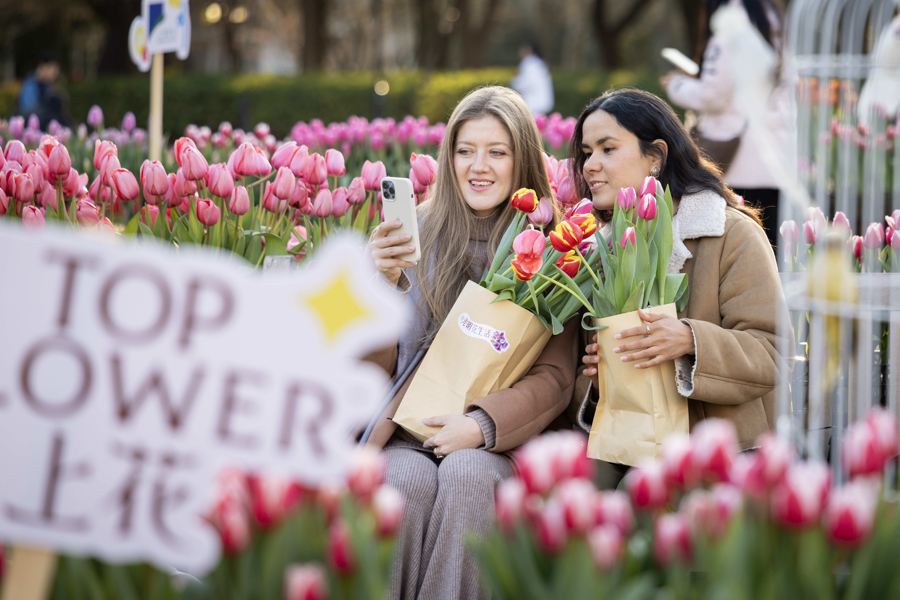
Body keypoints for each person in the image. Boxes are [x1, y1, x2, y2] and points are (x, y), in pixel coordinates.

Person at [362, 86, 578, 600]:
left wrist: (481, 425)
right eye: (465, 151)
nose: (478, 166)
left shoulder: (552, 248)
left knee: (467, 477)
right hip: (407, 430)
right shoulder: (416, 236)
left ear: (522, 159)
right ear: (448, 157)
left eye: (497, 152)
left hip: (500, 439)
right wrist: (378, 288)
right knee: (403, 483)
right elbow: (374, 371)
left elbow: (554, 378)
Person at [569, 88, 792, 486]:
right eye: (587, 152)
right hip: (630, 449)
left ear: (655, 157)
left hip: (726, 456)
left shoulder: (729, 234)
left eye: (607, 149)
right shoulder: (599, 251)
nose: (590, 165)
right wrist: (602, 377)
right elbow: (580, 391)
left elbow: (774, 352)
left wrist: (689, 340)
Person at [660, 0, 788, 248]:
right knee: (773, 250)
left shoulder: (729, 33)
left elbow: (713, 96)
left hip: (739, 160)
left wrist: (677, 85)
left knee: (741, 247)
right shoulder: (778, 35)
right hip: (777, 160)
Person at [17, 53, 68, 129]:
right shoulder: (30, 85)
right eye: (53, 70)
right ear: (42, 66)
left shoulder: (47, 85)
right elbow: (29, 113)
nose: (55, 74)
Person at [510, 42, 554, 115]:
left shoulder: (529, 63)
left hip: (533, 103)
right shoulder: (539, 62)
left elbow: (525, 83)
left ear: (529, 50)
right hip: (541, 103)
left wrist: (515, 85)